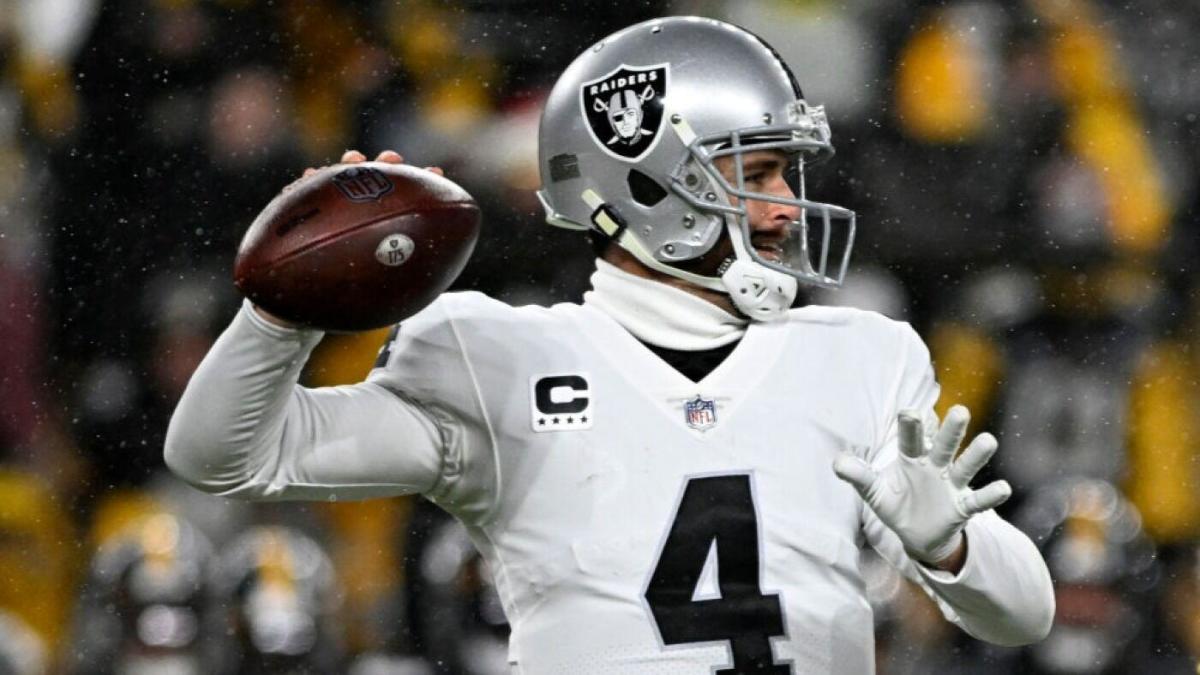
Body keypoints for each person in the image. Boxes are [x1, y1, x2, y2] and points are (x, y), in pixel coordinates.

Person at [166, 16, 1054, 674]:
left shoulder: (862, 355)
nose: (787, 206)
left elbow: (1024, 615)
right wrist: (280, 315)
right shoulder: (495, 355)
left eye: (789, 173)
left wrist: (954, 551)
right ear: (648, 186)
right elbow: (222, 456)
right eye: (757, 175)